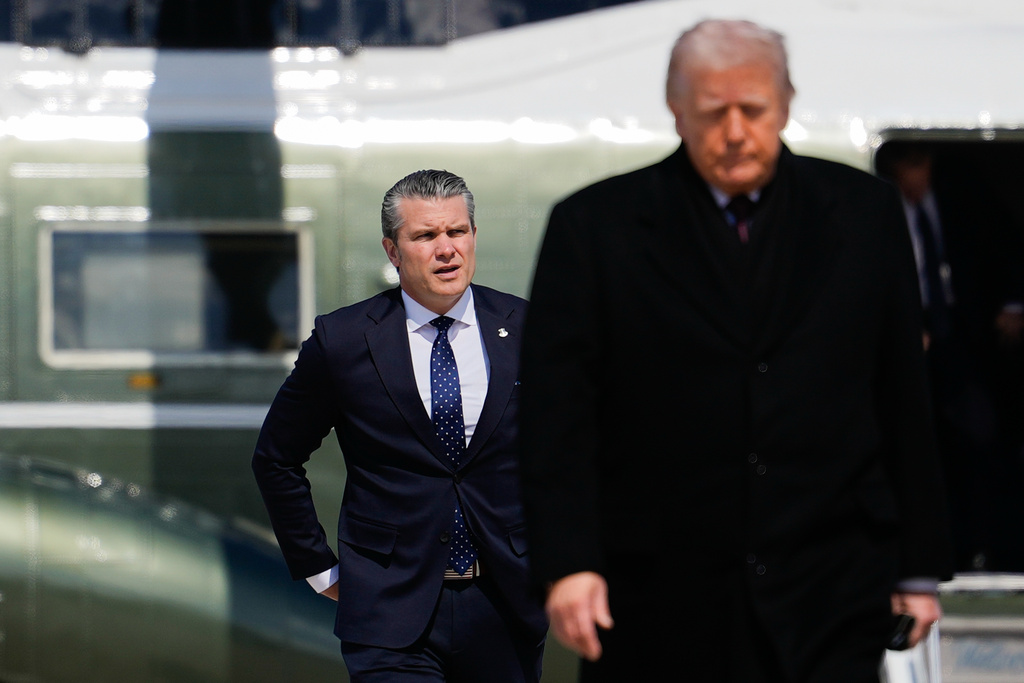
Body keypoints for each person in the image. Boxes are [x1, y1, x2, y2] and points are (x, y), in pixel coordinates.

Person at [517, 19, 953, 683]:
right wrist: (568, 562)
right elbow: (557, 415)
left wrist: (917, 565)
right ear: (676, 110)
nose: (736, 132)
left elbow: (901, 391)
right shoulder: (595, 227)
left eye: (753, 110)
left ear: (785, 103)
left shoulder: (864, 213)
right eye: (713, 112)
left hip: (829, 580)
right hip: (658, 589)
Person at [252, 169, 547, 681]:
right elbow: (277, 457)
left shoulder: (528, 331)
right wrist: (319, 569)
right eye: (426, 236)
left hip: (506, 602)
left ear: (474, 236)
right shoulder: (342, 340)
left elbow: (575, 450)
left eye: (457, 232)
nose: (446, 249)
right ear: (393, 250)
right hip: (390, 607)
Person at [877, 141, 1024, 571]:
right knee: (918, 448)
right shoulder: (873, 205)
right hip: (905, 341)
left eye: (921, 165)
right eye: (906, 167)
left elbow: (1004, 243)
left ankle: (987, 547)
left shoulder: (963, 196)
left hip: (963, 333)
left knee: (979, 439)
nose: (915, 178)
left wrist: (1013, 305)